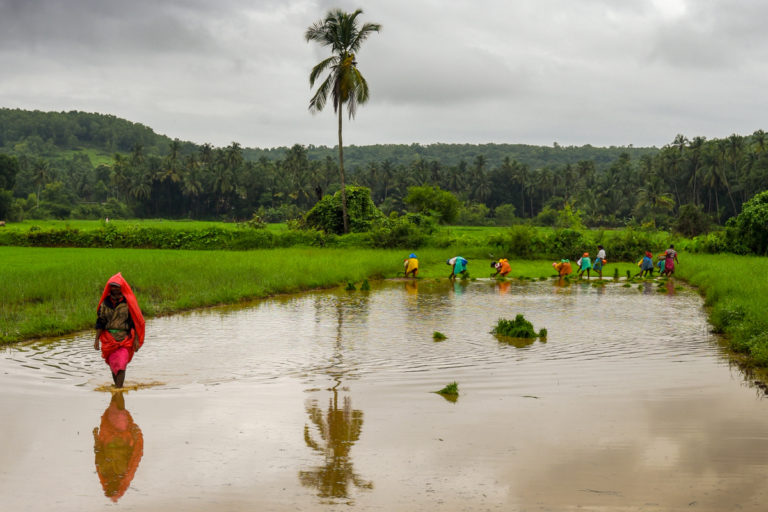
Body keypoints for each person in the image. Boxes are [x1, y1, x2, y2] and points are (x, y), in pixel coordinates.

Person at [94, 273, 145, 388]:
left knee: (121, 365)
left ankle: (117, 391)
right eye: (112, 286)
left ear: (121, 287)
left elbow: (134, 323)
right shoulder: (105, 303)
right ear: (109, 287)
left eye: (117, 286)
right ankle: (118, 389)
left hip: (124, 339)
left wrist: (136, 339)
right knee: (114, 365)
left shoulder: (127, 303)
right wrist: (96, 339)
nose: (115, 288)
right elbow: (100, 322)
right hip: (109, 339)